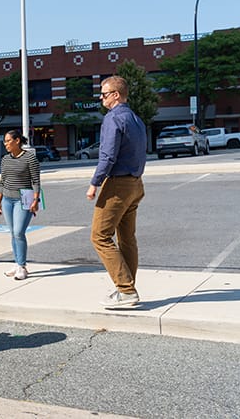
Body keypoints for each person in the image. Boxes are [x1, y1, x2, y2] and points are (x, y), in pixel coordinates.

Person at [87, 76, 147, 309]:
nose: (101, 98)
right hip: (135, 183)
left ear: (116, 95)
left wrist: (95, 183)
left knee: (99, 236)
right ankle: (127, 286)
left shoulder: (113, 118)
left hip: (118, 185)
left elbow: (108, 155)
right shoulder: (136, 119)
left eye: (104, 94)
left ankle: (126, 290)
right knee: (126, 238)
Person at [0, 130, 41, 281]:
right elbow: (3, 180)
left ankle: (22, 266)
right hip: (7, 200)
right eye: (5, 141)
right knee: (13, 233)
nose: (6, 144)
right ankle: (17, 263)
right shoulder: (5, 159)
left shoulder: (30, 158)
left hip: (24, 199)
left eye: (8, 141)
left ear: (17, 141)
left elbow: (35, 181)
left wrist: (36, 200)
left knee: (18, 232)